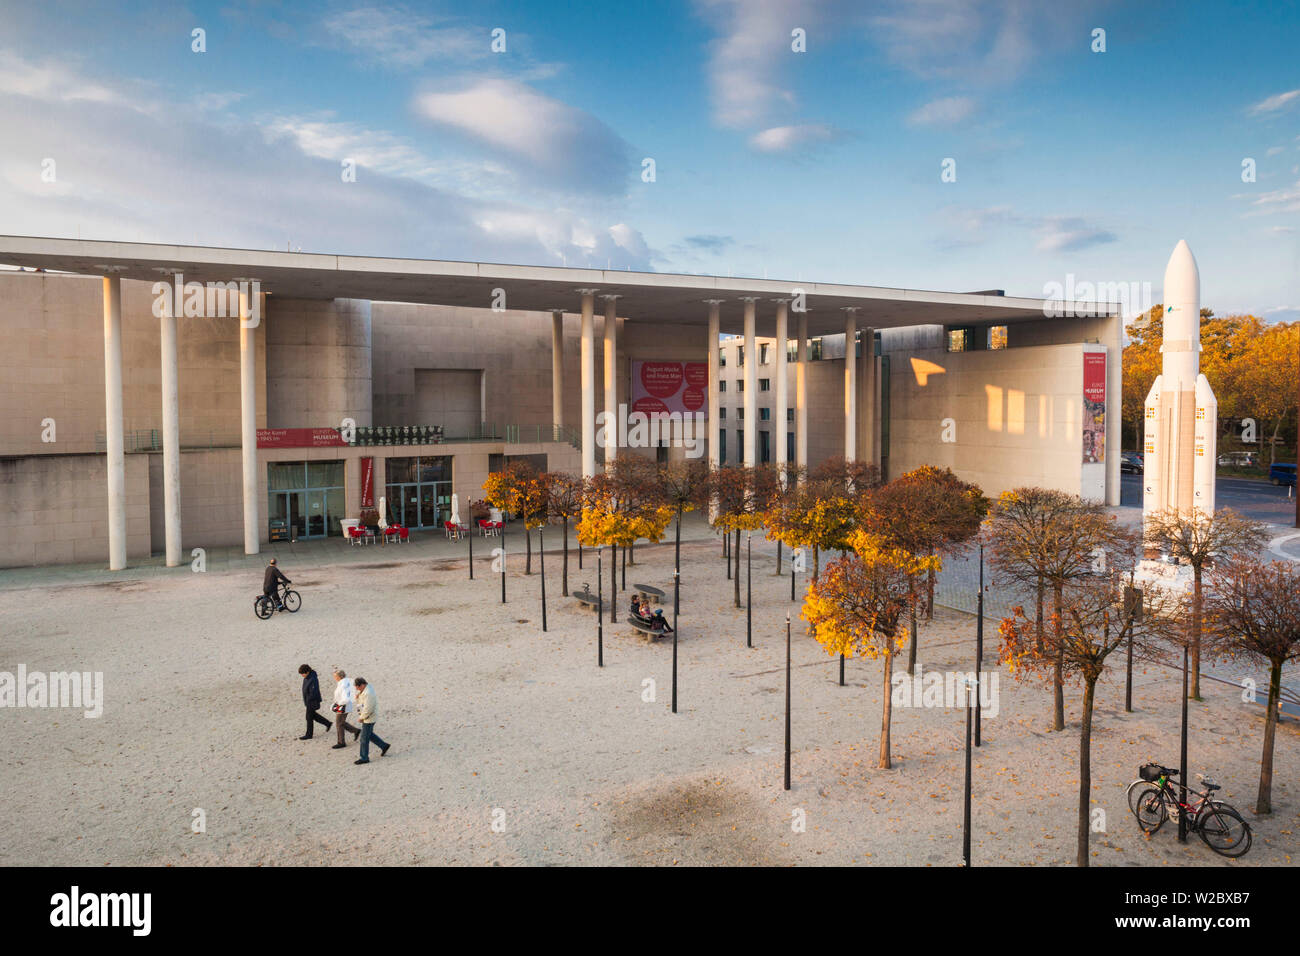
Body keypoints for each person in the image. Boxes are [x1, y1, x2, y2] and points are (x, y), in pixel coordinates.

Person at [352, 677, 391, 765]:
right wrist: (358, 697)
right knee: (368, 734)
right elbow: (362, 703)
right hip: (368, 717)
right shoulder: (365, 689)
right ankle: (384, 746)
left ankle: (364, 758)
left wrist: (362, 717)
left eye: (357, 687)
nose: (356, 689)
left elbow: (368, 708)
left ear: (362, 685)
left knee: (364, 738)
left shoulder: (368, 693)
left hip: (369, 718)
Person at [298, 664, 332, 740]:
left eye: (302, 674)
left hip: (312, 701)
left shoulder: (313, 679)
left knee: (309, 718)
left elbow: (314, 692)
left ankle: (309, 735)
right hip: (308, 701)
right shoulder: (307, 677)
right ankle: (328, 723)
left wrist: (308, 699)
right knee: (313, 716)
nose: (302, 675)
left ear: (307, 672)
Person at [330, 668, 362, 750]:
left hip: (343, 706)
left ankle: (341, 742)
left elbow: (345, 698)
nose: (334, 678)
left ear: (339, 677)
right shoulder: (347, 681)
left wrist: (338, 704)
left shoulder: (343, 684)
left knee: (339, 724)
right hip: (346, 705)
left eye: (335, 676)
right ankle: (356, 731)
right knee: (341, 722)